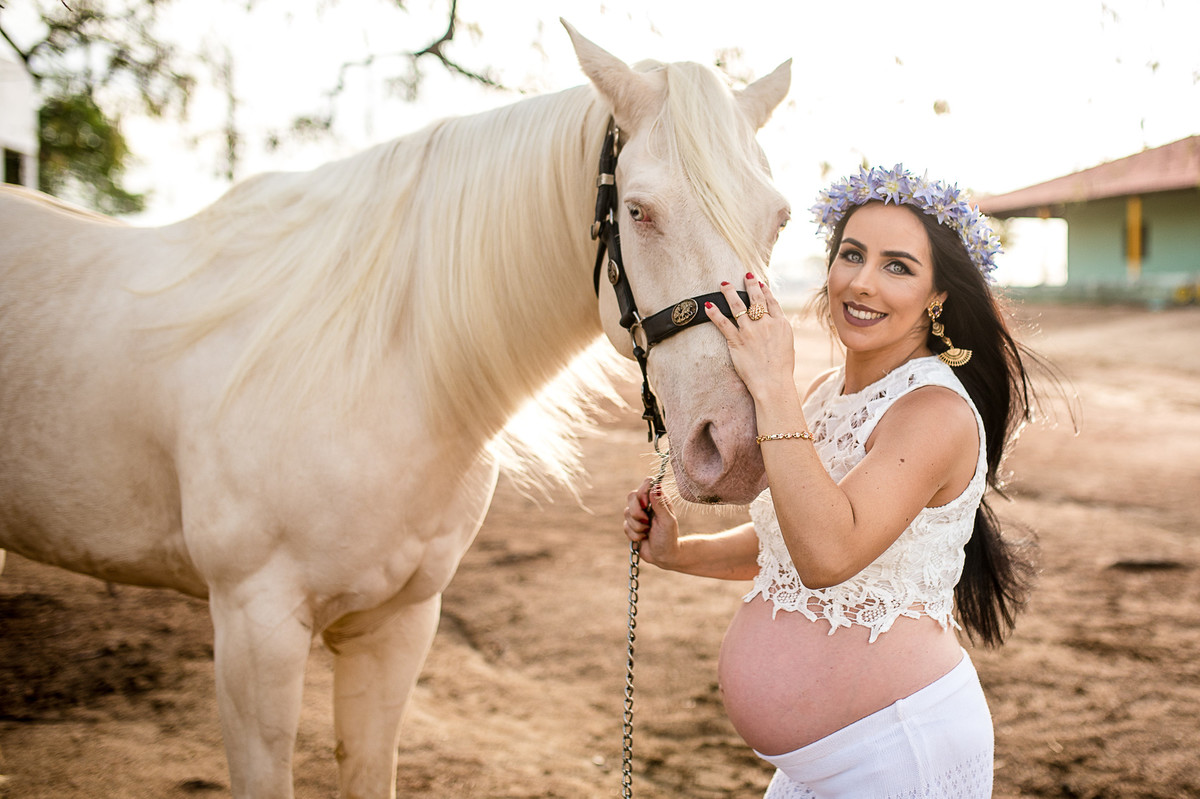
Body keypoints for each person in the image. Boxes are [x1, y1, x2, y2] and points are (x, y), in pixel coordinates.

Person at [623, 164, 1050, 798]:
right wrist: (678, 553)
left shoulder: (935, 414)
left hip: (897, 759)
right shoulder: (826, 396)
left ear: (938, 297)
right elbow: (787, 538)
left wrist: (771, 388)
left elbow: (828, 555)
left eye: (897, 266)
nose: (862, 282)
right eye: (851, 254)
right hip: (814, 770)